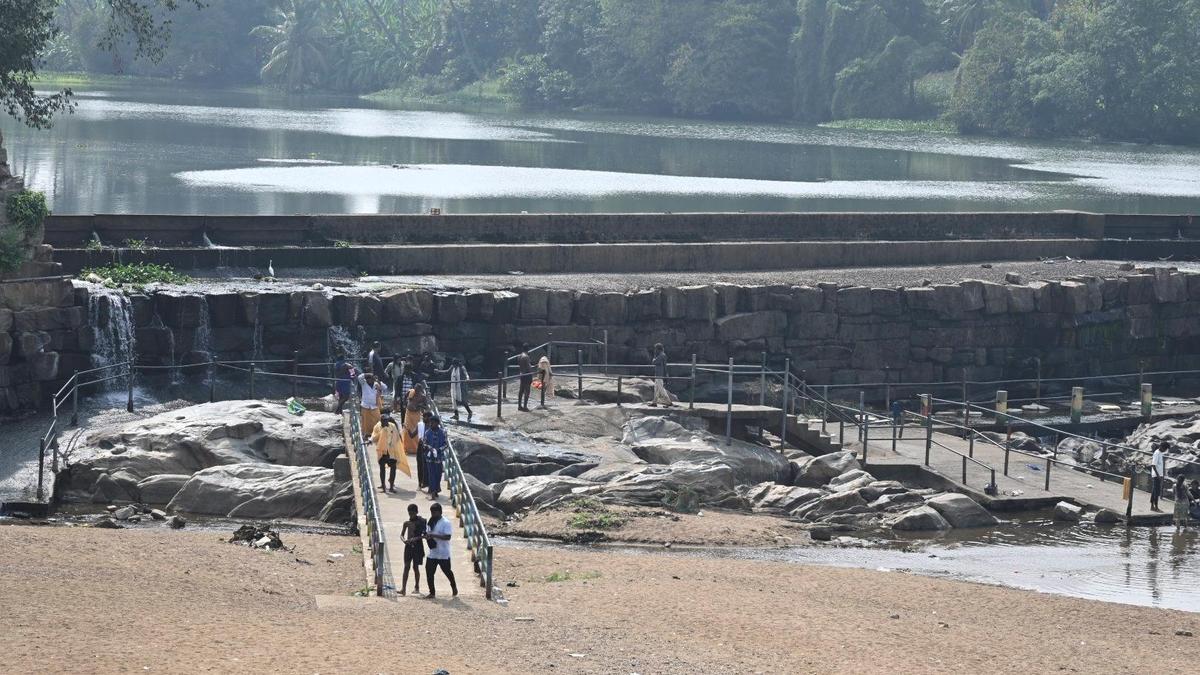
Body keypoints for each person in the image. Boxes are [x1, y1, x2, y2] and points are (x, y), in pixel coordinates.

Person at [424, 502, 457, 598]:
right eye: (431, 512)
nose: (432, 514)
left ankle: (453, 585)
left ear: (439, 512)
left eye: (434, 512)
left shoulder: (446, 522)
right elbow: (427, 532)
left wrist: (433, 535)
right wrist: (427, 536)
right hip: (433, 552)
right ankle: (432, 592)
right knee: (429, 572)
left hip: (443, 553)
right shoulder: (430, 522)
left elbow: (448, 536)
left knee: (447, 571)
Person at [370, 413, 410, 493]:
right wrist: (372, 439)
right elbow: (374, 437)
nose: (384, 423)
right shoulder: (378, 426)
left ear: (388, 420)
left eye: (385, 421)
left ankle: (391, 486)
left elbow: (397, 437)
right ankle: (383, 486)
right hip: (382, 451)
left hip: (392, 451)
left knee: (393, 468)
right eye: (382, 421)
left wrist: (399, 447)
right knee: (382, 469)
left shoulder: (392, 426)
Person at [399, 503, 426, 596]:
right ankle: (403, 589)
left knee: (415, 567)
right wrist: (404, 541)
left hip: (417, 546)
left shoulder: (421, 522)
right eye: (410, 513)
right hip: (408, 547)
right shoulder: (406, 523)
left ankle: (417, 586)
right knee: (406, 567)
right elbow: (402, 534)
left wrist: (416, 538)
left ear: (416, 512)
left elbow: (424, 535)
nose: (411, 515)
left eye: (413, 513)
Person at [422, 415, 448, 500]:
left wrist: (439, 450)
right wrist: (429, 447)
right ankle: (432, 492)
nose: (430, 424)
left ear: (437, 423)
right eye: (430, 423)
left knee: (438, 474)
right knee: (431, 474)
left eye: (432, 423)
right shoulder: (427, 432)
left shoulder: (443, 432)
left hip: (439, 458)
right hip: (430, 458)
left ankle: (436, 490)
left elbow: (446, 444)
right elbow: (424, 443)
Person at [357, 372, 388, 440]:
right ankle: (366, 434)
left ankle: (376, 433)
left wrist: (378, 382)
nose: (370, 380)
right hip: (365, 405)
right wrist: (367, 374)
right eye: (369, 379)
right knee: (365, 421)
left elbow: (385, 387)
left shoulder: (376, 384)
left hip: (374, 405)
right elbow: (359, 377)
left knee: (377, 419)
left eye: (371, 379)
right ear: (367, 379)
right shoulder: (363, 383)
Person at [402, 381, 429, 457]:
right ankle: (406, 447)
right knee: (407, 428)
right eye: (415, 390)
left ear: (420, 390)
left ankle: (414, 448)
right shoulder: (411, 392)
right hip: (408, 413)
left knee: (415, 430)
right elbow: (405, 397)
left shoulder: (423, 396)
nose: (416, 392)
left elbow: (426, 406)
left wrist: (420, 405)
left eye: (418, 390)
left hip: (416, 414)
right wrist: (404, 403)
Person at [650, 343, 672, 407]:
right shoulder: (662, 355)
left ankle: (668, 402)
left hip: (659, 375)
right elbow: (665, 366)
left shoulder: (661, 355)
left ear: (658, 349)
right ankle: (654, 402)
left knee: (661, 389)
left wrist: (654, 357)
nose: (655, 350)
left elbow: (654, 362)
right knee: (656, 389)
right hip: (659, 374)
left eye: (655, 349)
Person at [517, 344, 533, 411]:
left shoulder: (519, 356)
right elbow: (529, 368)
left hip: (521, 374)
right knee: (527, 391)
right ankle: (525, 407)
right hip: (527, 375)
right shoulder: (526, 357)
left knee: (521, 390)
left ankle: (519, 405)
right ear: (528, 349)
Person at [1151, 442, 1167, 512]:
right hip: (1156, 475)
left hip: (1159, 475)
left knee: (1154, 491)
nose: (1165, 450)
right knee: (1157, 492)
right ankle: (1156, 507)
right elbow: (1153, 466)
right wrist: (1158, 476)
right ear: (1162, 447)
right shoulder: (1157, 453)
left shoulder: (1160, 453)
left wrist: (1161, 475)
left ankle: (1152, 506)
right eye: (1165, 449)